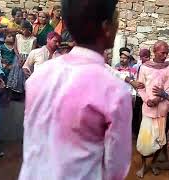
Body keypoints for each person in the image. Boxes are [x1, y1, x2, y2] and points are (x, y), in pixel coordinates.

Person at [18, 1, 132, 180]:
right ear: (107, 28)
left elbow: (33, 142)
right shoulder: (114, 90)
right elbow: (116, 168)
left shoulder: (39, 77)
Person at [136, 40, 169, 178]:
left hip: (162, 109)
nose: (165, 56)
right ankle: (143, 166)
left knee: (159, 139)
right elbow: (140, 87)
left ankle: (152, 163)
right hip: (148, 109)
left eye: (166, 53)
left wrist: (159, 99)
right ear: (154, 51)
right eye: (162, 53)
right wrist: (148, 100)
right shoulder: (145, 67)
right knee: (145, 141)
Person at [7, 21, 36, 97]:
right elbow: (15, 48)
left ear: (29, 29)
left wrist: (26, 60)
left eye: (24, 29)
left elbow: (32, 51)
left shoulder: (33, 39)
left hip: (28, 58)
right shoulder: (18, 36)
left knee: (25, 74)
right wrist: (19, 57)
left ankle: (24, 93)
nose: (22, 31)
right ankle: (15, 93)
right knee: (16, 73)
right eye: (21, 29)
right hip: (18, 57)